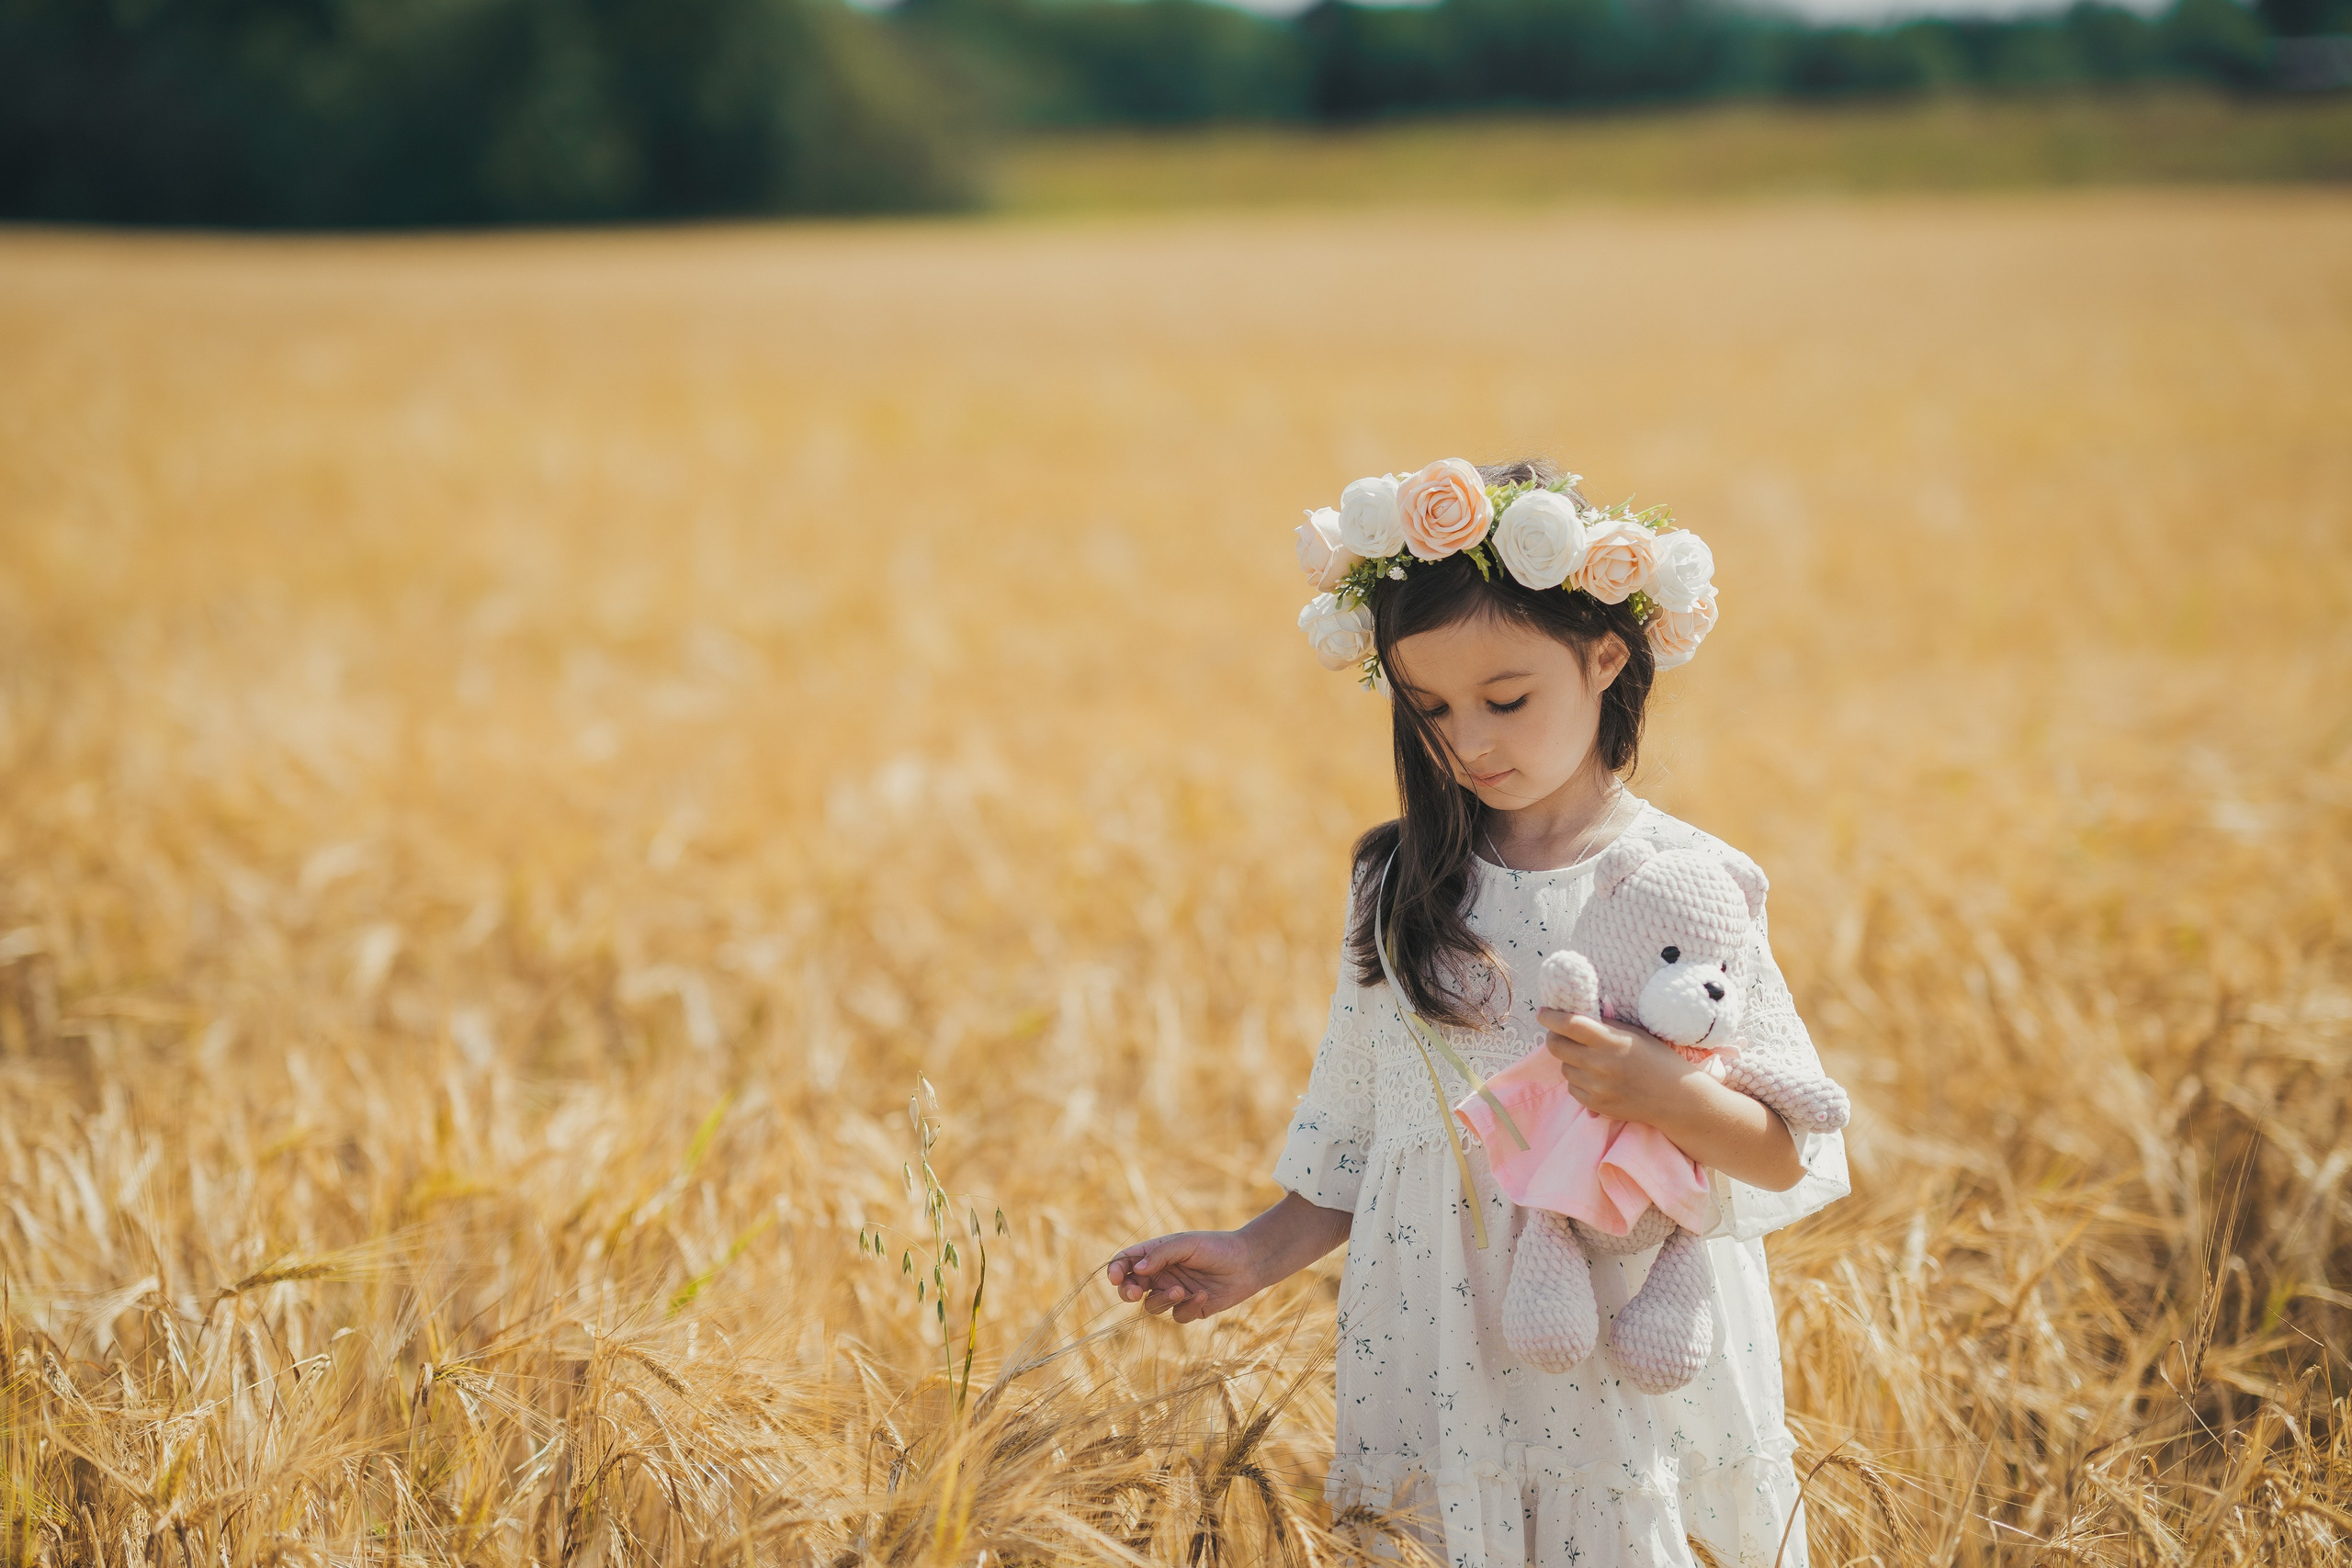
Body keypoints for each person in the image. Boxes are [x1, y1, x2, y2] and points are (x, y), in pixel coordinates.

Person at [1105, 458, 1849, 1568]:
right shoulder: (1400, 881)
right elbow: (1367, 1125)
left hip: (1620, 1337)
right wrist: (1254, 1252)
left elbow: (1785, 1155)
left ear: (1605, 658)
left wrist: (1664, 1094)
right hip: (1440, 1337)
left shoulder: (1685, 883)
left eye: (1506, 700)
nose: (1470, 742)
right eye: (1432, 709)